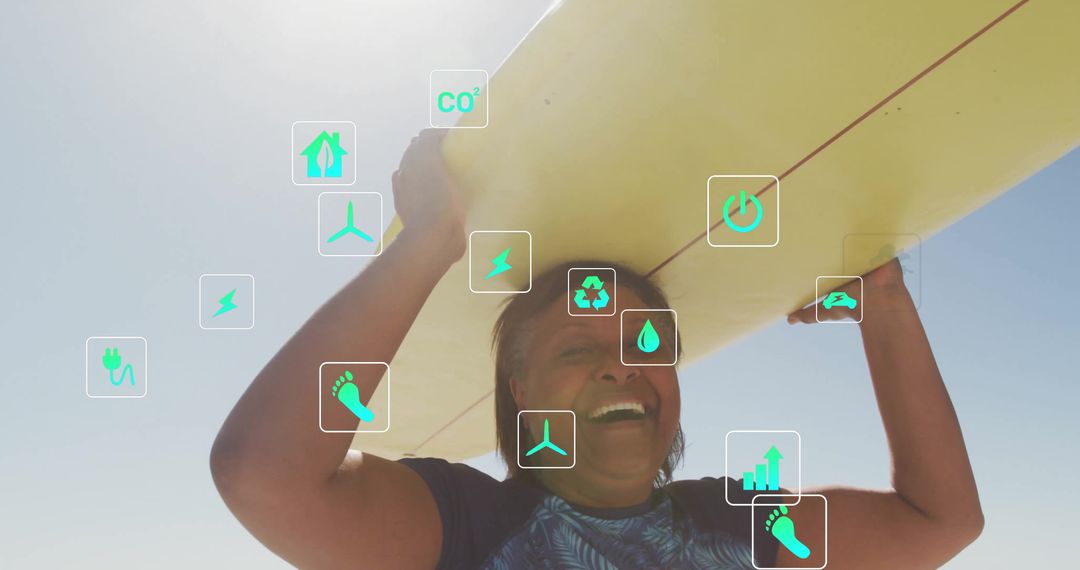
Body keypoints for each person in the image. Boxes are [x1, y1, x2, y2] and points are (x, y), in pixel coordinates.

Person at [210, 129, 984, 569]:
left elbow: (940, 521)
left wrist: (884, 305)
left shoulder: (737, 522)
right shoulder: (467, 528)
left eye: (646, 340)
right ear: (519, 390)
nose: (624, 364)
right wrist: (431, 245)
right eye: (577, 350)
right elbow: (264, 477)